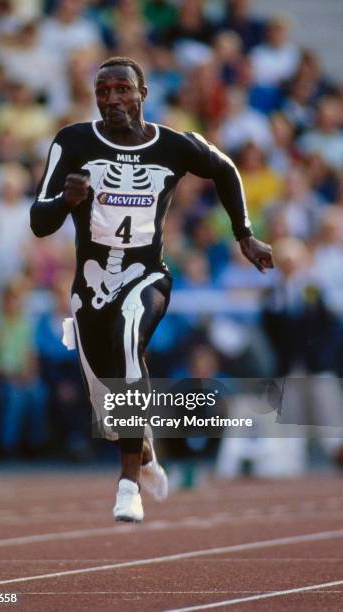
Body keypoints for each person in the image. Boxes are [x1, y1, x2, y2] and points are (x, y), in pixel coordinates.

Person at [30, 56, 273, 522]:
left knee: (128, 331)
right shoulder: (74, 140)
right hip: (91, 285)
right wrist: (67, 200)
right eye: (103, 92)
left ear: (144, 94)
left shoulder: (173, 145)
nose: (113, 100)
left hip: (147, 275)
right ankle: (143, 450)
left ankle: (126, 485)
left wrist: (244, 234)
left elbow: (224, 170)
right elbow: (40, 221)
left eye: (123, 89)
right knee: (109, 394)